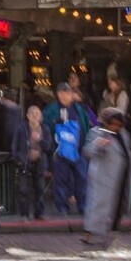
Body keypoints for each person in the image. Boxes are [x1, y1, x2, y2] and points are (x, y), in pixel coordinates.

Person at [82, 108, 131, 246]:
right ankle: (88, 234)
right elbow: (87, 151)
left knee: (118, 206)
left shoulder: (124, 134)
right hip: (103, 178)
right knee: (97, 207)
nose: (116, 127)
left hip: (122, 175)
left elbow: (128, 151)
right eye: (113, 124)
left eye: (118, 125)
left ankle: (110, 234)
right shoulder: (97, 133)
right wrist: (99, 145)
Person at [44, 84, 94, 216]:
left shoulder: (79, 108)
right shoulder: (52, 109)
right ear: (58, 94)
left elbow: (86, 126)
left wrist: (87, 145)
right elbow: (45, 124)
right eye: (62, 92)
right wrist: (55, 122)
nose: (65, 95)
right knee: (60, 178)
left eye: (67, 92)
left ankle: (82, 205)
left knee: (82, 178)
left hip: (78, 149)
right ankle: (62, 207)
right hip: (60, 150)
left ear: (71, 94)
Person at [10, 97, 52, 219]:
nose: (34, 116)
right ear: (27, 116)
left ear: (41, 117)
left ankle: (39, 213)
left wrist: (40, 139)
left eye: (37, 114)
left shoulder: (45, 129)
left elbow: (49, 146)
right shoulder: (21, 128)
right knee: (23, 190)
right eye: (32, 113)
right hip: (25, 162)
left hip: (40, 163)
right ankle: (24, 214)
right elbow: (15, 144)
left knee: (40, 188)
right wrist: (17, 158)